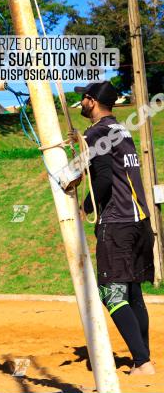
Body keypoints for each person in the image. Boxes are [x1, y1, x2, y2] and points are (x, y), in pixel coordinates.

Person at [75, 81, 155, 375]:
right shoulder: (120, 130)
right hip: (140, 222)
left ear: (92, 101)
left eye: (83, 99)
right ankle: (142, 359)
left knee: (111, 292)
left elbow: (105, 179)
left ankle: (143, 361)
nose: (81, 103)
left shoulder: (95, 132)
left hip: (117, 223)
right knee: (133, 292)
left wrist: (85, 206)